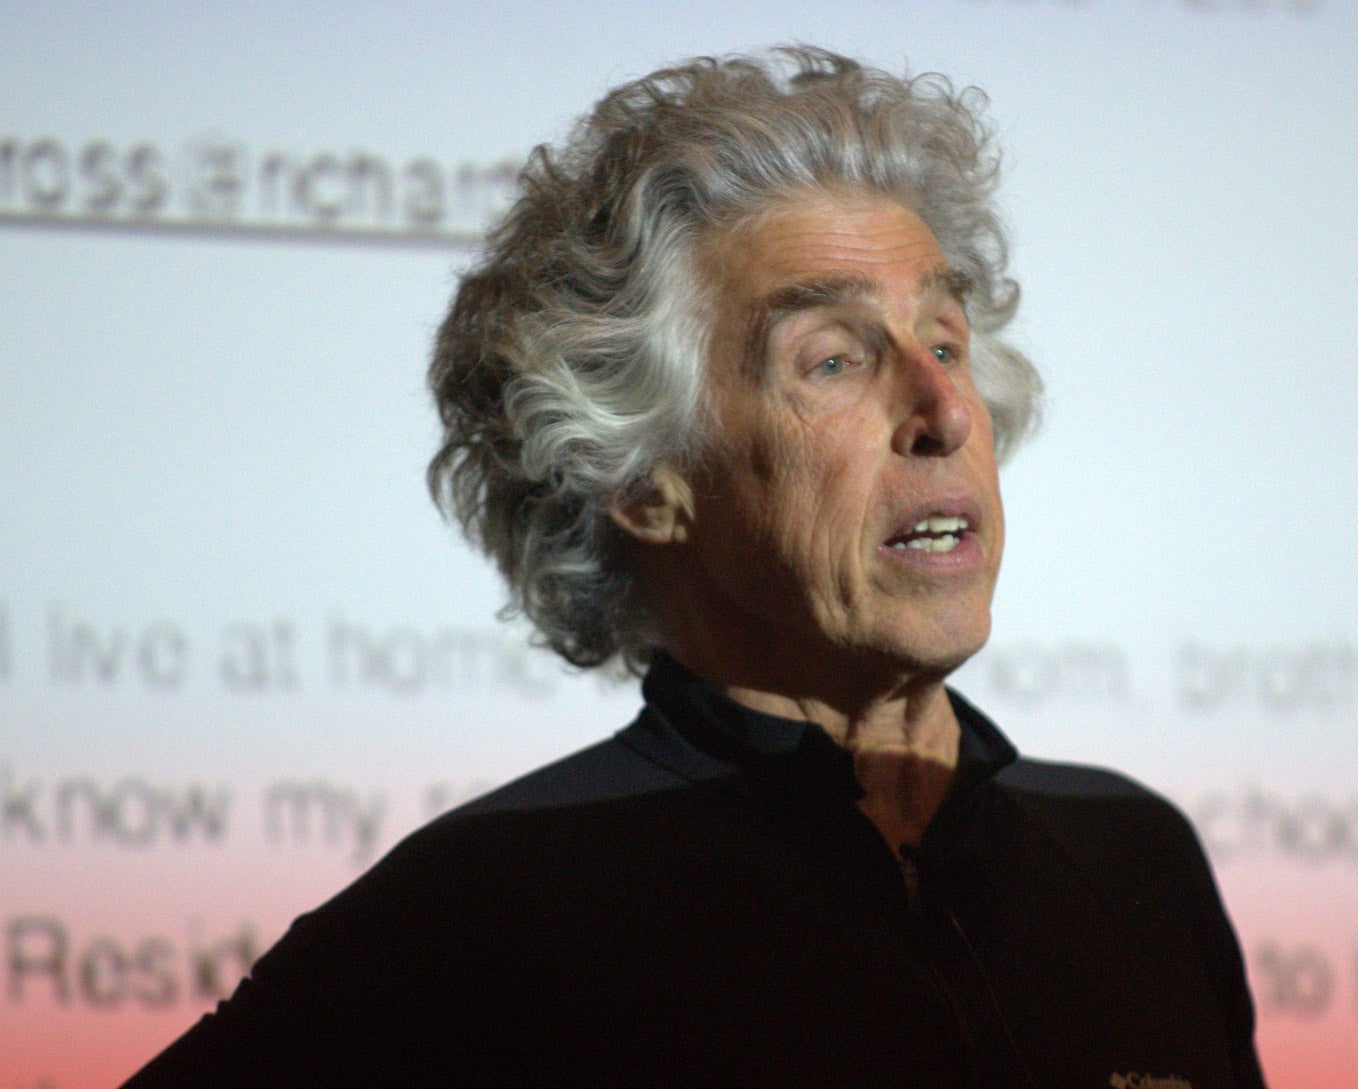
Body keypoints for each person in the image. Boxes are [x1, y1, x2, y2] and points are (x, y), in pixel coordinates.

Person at [123, 47, 1265, 1089]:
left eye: (945, 342)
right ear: (643, 480)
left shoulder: (1132, 856)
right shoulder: (486, 907)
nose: (945, 410)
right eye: (832, 360)